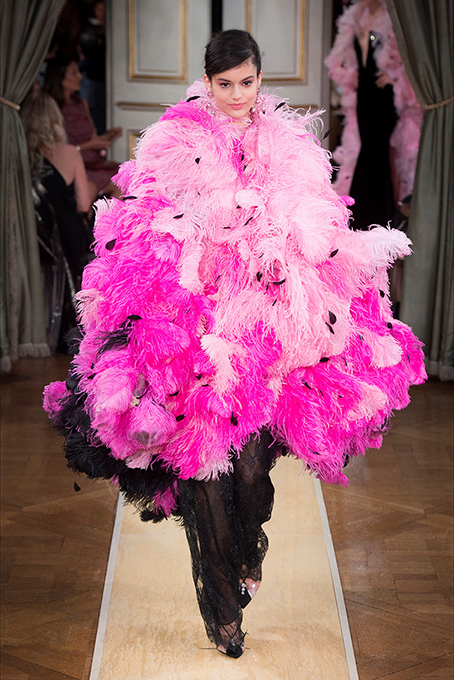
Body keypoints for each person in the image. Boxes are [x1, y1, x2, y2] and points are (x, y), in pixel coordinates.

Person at [43, 30, 426, 658]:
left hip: (266, 330)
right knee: (201, 466)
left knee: (249, 470)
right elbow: (149, 216)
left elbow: (316, 223)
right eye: (225, 84)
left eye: (247, 83)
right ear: (207, 82)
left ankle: (247, 555)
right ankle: (221, 613)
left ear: (259, 79)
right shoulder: (176, 139)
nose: (238, 95)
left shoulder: (287, 144)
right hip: (193, 324)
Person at [325, 0, 423, 230]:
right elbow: (341, 60)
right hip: (364, 96)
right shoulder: (354, 16)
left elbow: (414, 57)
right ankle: (366, 217)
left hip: (384, 96)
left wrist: (396, 77)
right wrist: (350, 77)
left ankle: (373, 218)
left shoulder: (394, 16)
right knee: (367, 152)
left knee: (376, 153)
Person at [21, 91, 92, 283]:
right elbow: (83, 205)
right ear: (55, 120)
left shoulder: (19, 155)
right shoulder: (69, 153)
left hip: (29, 233)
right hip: (64, 235)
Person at [43, 56, 122, 204]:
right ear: (60, 79)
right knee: (114, 183)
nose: (80, 76)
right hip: (74, 164)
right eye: (74, 73)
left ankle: (109, 217)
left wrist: (108, 136)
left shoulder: (81, 103)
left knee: (125, 176)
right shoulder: (52, 108)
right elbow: (53, 147)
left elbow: (93, 137)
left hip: (94, 161)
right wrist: (89, 145)